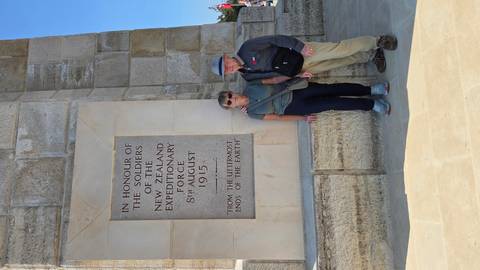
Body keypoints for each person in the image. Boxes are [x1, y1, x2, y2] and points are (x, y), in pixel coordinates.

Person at [211, 34, 397, 84]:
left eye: (226, 64)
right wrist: (297, 76)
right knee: (338, 62)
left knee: (338, 50)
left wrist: (300, 46)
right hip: (297, 69)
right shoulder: (247, 76)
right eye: (226, 71)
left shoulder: (247, 47)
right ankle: (371, 55)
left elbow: (275, 39)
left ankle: (377, 41)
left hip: (301, 52)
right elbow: (274, 77)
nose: (229, 68)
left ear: (227, 57)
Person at [217, 80, 391, 121]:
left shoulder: (251, 86)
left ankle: (371, 90)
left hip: (295, 89)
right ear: (231, 107)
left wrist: (298, 76)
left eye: (230, 96)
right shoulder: (252, 113)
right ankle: (372, 104)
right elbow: (278, 118)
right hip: (294, 107)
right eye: (230, 103)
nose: (233, 99)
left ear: (232, 92)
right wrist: (303, 118)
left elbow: (274, 80)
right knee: (332, 103)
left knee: (332, 89)